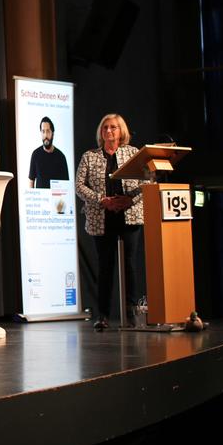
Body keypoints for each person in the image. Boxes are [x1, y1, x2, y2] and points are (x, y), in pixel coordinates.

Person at [76, 114, 144, 331]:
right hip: (102, 216)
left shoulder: (133, 154)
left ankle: (132, 314)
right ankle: (103, 315)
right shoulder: (90, 156)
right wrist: (101, 200)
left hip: (129, 214)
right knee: (105, 267)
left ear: (121, 130)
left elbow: (145, 182)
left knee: (129, 266)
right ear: (100, 132)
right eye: (105, 127)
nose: (109, 131)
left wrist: (129, 199)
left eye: (113, 127)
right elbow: (79, 186)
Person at [28, 116, 69, 188]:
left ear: (52, 133)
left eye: (48, 131)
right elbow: (31, 181)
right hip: (40, 199)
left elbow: (66, 185)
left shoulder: (61, 156)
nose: (45, 135)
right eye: (43, 131)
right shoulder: (35, 154)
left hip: (56, 199)